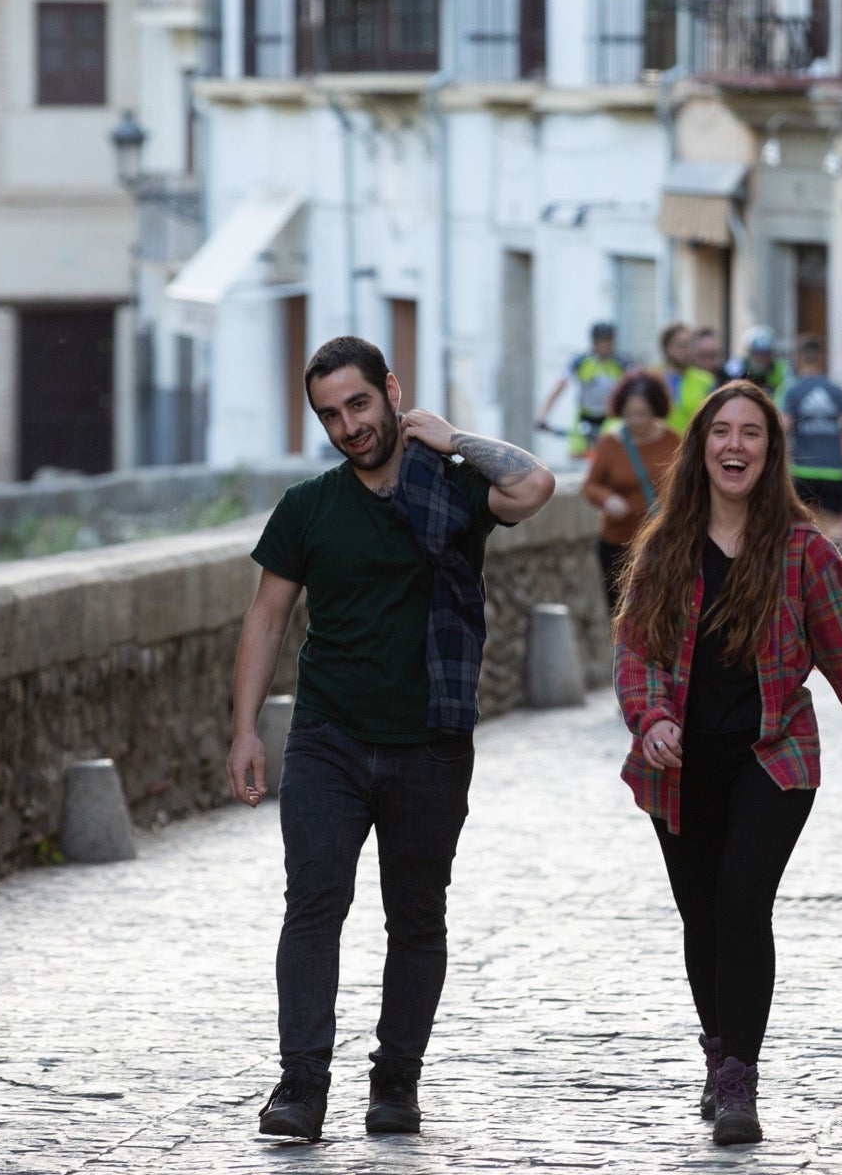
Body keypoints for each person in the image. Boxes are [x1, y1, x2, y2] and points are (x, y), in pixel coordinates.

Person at [227, 336, 555, 1141]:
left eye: (360, 405)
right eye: (331, 415)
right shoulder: (309, 506)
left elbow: (536, 485)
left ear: (391, 393)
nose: (349, 426)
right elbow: (267, 616)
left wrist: (453, 439)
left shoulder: (454, 488)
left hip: (431, 742)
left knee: (416, 919)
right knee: (313, 905)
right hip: (328, 737)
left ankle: (395, 1084)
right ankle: (300, 1088)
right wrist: (243, 730)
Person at [613, 381, 842, 1147]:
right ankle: (719, 1053)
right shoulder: (665, 551)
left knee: (742, 900)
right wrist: (649, 721)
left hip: (772, 759)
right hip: (678, 765)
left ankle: (740, 1077)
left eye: (751, 433)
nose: (735, 446)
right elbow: (636, 653)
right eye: (722, 431)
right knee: (701, 915)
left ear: (770, 452)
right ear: (702, 448)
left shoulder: (801, 553)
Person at [581, 375, 679, 614]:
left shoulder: (672, 441)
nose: (635, 420)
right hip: (617, 542)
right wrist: (608, 499)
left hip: (661, 543)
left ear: (656, 410)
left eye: (642, 413)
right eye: (630, 413)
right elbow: (589, 486)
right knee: (622, 614)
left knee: (658, 612)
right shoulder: (611, 443)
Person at [777, 337, 842, 555]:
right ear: (822, 359)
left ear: (799, 359)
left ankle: (812, 564)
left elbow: (784, 425)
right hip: (835, 469)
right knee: (835, 521)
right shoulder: (836, 390)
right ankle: (839, 561)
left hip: (804, 468)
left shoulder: (792, 390)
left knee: (806, 521)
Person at [536, 322, 628, 460]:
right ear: (594, 342)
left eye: (610, 341)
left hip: (610, 417)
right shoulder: (580, 361)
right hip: (585, 416)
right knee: (576, 455)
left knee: (610, 451)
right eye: (602, 341)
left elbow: (634, 391)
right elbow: (559, 388)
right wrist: (542, 416)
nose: (607, 346)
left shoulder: (622, 363)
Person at [667, 328, 719, 436]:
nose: (685, 350)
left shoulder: (707, 381)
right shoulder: (655, 378)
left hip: (693, 447)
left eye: (689, 345)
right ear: (668, 347)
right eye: (681, 345)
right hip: (664, 446)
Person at [723, 325, 787, 398]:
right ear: (749, 353)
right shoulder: (736, 368)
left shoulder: (781, 369)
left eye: (766, 354)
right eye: (757, 353)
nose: (762, 358)